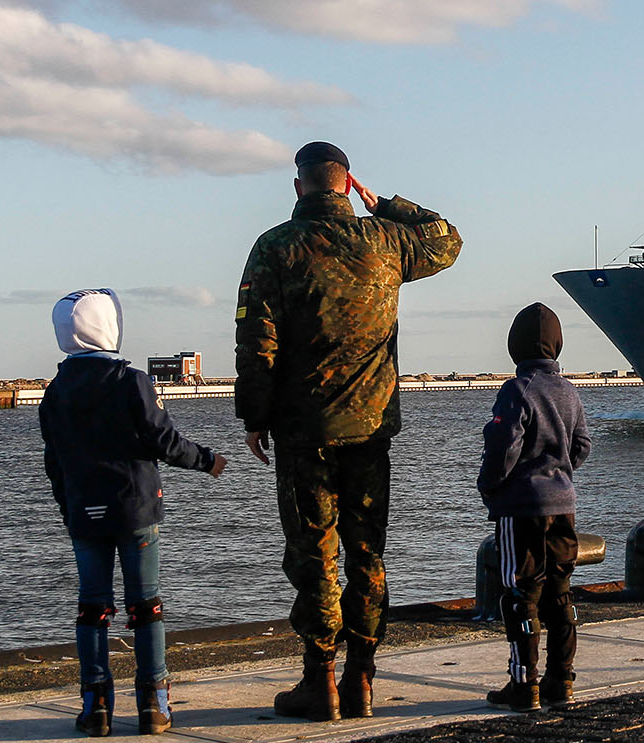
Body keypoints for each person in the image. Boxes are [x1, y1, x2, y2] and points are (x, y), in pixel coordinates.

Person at [235, 142, 462, 721]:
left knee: (314, 554)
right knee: (368, 553)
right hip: (371, 427)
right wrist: (385, 203)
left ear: (298, 188)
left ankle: (321, 681)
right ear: (345, 184)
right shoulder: (384, 240)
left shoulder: (275, 248)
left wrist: (254, 416)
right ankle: (362, 676)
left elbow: (257, 340)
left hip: (301, 429)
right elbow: (447, 238)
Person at [39, 289, 228, 737]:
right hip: (135, 506)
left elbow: (54, 461)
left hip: (84, 509)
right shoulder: (131, 380)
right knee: (146, 605)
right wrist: (208, 460)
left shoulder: (55, 391)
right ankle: (153, 704)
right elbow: (162, 440)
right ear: (109, 326)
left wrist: (67, 507)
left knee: (92, 608)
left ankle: (96, 705)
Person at [477, 303, 592, 712]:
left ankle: (524, 684)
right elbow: (581, 446)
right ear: (558, 344)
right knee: (559, 592)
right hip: (564, 506)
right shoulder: (570, 391)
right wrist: (559, 473)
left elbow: (503, 446)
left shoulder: (517, 389)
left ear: (515, 346)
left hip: (521, 507)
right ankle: (562, 680)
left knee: (519, 592)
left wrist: (491, 487)